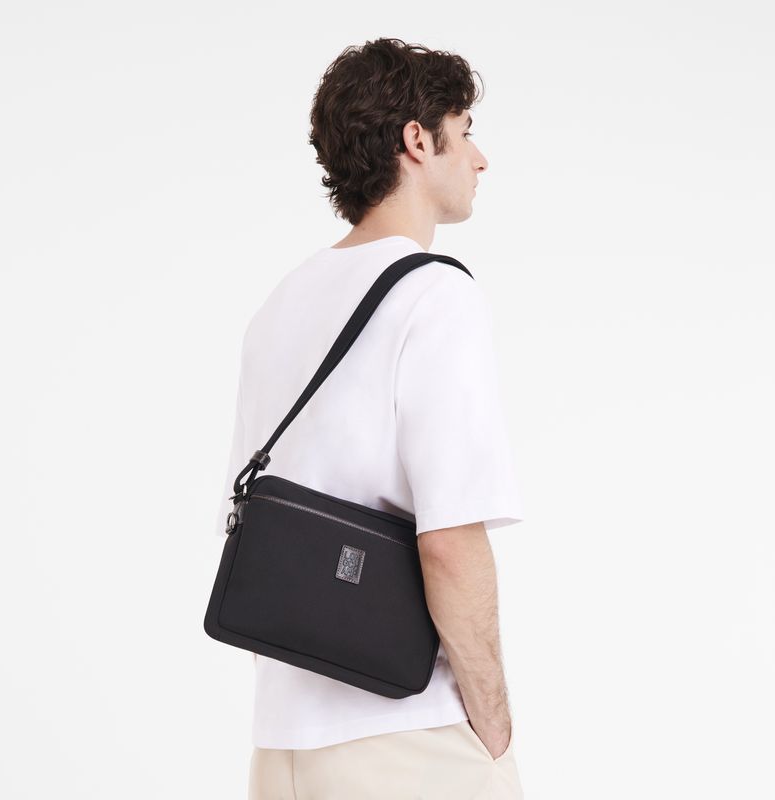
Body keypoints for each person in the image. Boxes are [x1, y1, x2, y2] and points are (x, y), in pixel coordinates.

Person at [214, 37, 526, 799]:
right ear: (418, 140)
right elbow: (450, 540)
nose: (480, 158)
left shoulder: (282, 303)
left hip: (281, 750)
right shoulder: (436, 296)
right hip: (407, 742)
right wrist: (493, 729)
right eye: (465, 130)